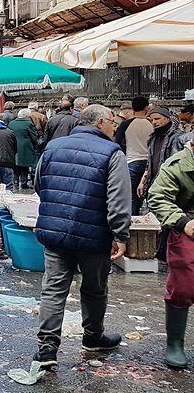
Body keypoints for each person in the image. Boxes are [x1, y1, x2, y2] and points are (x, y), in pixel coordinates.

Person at [31, 105, 130, 369]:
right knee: (95, 289)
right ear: (99, 123)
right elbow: (118, 199)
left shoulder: (53, 147)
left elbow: (39, 183)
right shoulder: (112, 152)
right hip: (95, 235)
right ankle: (93, 336)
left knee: (53, 289)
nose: (114, 127)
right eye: (112, 122)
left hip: (55, 231)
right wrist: (120, 234)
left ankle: (47, 349)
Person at [147, 140, 194, 369]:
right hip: (186, 228)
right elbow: (157, 197)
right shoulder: (176, 165)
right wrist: (183, 222)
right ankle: (175, 342)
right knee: (183, 285)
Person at [140, 107, 194, 201]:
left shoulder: (178, 137)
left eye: (157, 119)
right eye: (151, 120)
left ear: (167, 118)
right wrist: (143, 181)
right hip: (154, 183)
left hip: (170, 185)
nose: (154, 122)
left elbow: (177, 164)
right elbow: (150, 162)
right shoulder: (153, 138)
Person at [114, 96, 153, 216]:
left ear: (132, 108)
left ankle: (132, 220)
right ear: (146, 108)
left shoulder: (125, 124)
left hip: (131, 161)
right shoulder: (152, 124)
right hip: (149, 163)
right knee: (147, 194)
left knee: (131, 195)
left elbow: (117, 143)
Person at [9, 109, 41, 191]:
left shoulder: (11, 123)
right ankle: (24, 183)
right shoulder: (28, 123)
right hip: (25, 147)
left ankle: (15, 181)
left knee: (15, 165)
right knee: (25, 166)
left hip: (13, 146)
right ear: (27, 116)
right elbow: (34, 137)